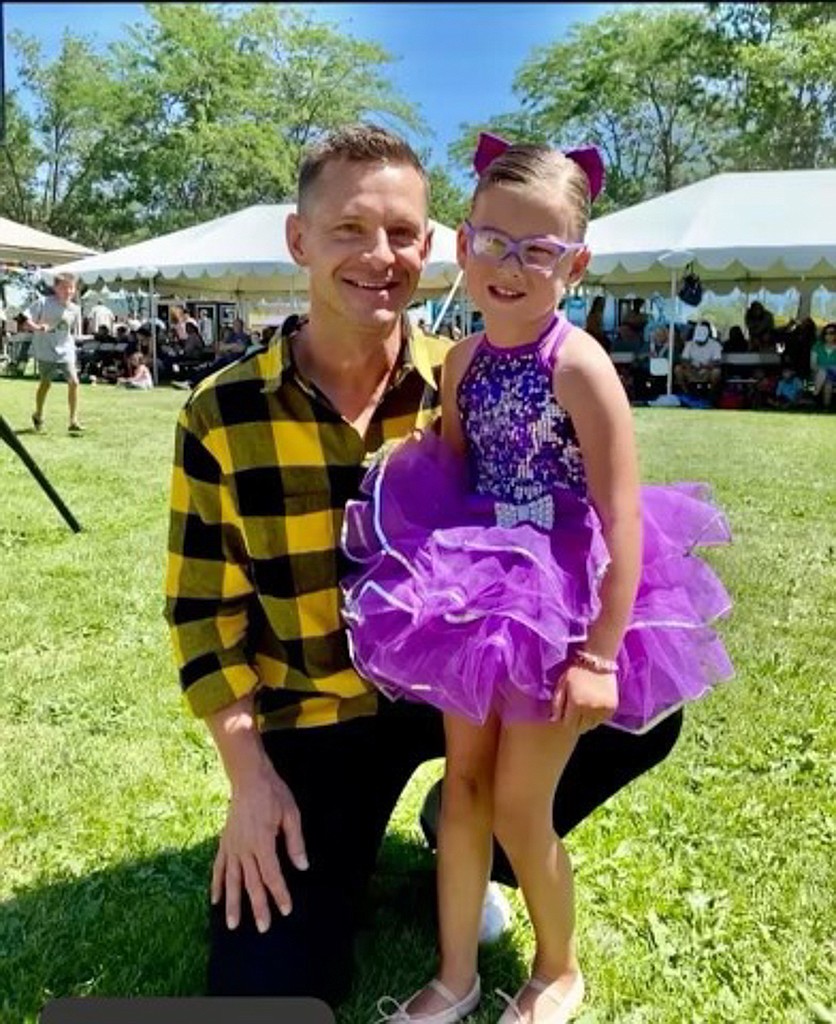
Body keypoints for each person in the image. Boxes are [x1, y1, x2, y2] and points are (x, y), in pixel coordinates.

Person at [164, 124, 689, 1011]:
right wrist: (249, 780)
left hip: (474, 658)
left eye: (402, 233)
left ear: (431, 244)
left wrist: (596, 650)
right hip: (325, 712)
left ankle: (466, 829)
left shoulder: (466, 370)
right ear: (300, 241)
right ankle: (419, 871)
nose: (379, 256)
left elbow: (600, 504)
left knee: (638, 716)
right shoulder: (225, 411)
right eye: (348, 231)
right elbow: (201, 618)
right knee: (268, 987)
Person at [340, 133, 734, 1023]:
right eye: (493, 242)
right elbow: (455, 463)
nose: (509, 267)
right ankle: (455, 976)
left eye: (538, 250)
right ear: (461, 242)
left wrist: (598, 652)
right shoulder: (464, 366)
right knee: (466, 785)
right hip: (477, 588)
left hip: (564, 597)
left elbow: (621, 517)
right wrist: (413, 466)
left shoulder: (581, 366)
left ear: (576, 264)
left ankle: (558, 968)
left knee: (521, 807)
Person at [21, 272, 85, 434]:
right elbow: (22, 318)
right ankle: (38, 414)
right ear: (55, 288)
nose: (68, 291)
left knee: (74, 382)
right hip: (46, 350)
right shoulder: (43, 303)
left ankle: (73, 420)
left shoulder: (75, 309)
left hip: (66, 350)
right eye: (64, 287)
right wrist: (36, 327)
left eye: (71, 287)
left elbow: (71, 331)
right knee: (46, 383)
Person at [674, 322, 724, 399]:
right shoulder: (690, 344)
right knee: (678, 369)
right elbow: (684, 359)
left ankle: (711, 395)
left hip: (707, 371)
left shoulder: (715, 344)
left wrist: (705, 366)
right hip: (691, 370)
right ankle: (686, 392)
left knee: (716, 372)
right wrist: (690, 366)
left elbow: (717, 361)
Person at [811, 322, 836, 409]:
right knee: (827, 381)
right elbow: (813, 364)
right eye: (826, 333)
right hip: (819, 373)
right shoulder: (817, 346)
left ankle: (815, 396)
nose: (828, 335)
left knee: (826, 373)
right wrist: (824, 369)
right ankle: (826, 407)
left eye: (832, 333)